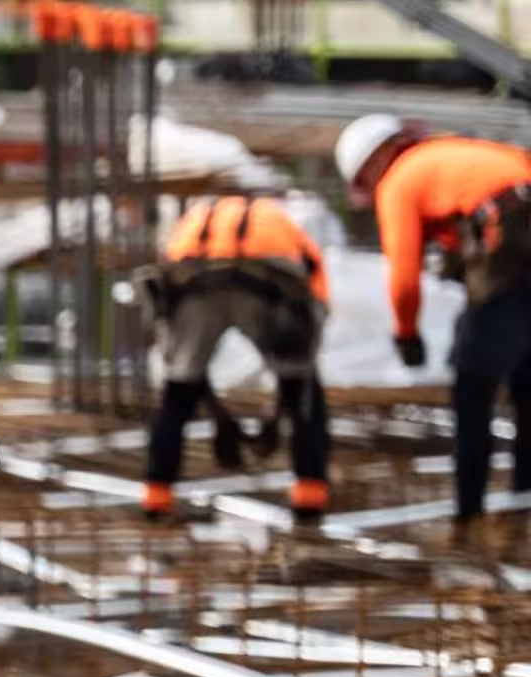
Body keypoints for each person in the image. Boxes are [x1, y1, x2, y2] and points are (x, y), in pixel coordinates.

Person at [336, 114, 531, 525]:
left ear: (373, 163)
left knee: (473, 378)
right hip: (516, 224)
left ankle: (469, 510)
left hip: (513, 232)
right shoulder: (452, 151)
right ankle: (523, 495)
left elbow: (404, 277)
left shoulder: (400, 180)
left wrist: (406, 332)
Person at [139, 193, 332, 522]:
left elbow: (181, 356)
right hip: (266, 281)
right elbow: (314, 297)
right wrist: (287, 391)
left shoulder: (196, 217)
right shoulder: (275, 218)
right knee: (305, 389)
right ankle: (309, 492)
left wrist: (218, 414)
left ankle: (157, 494)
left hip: (192, 281)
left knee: (178, 390)